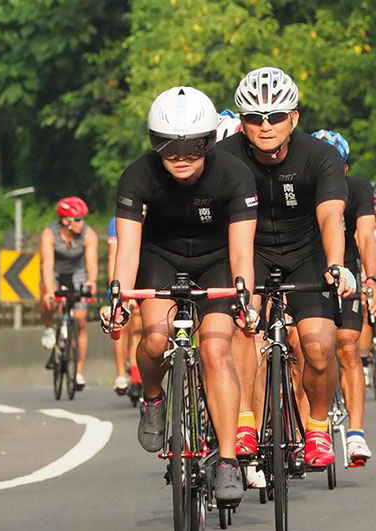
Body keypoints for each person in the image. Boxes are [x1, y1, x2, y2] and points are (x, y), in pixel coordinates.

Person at [102, 85, 257, 505]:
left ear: (208, 142)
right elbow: (129, 249)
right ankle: (153, 397)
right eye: (169, 147)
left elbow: (243, 249)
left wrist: (247, 298)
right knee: (154, 337)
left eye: (193, 147)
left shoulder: (234, 174)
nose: (181, 157)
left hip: (218, 263)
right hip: (160, 259)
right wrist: (116, 297)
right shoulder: (137, 175)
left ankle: (226, 459)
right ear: (154, 144)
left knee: (216, 350)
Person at [221, 67, 354, 469]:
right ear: (241, 122)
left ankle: (316, 426)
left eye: (276, 116)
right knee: (245, 325)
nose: (265, 126)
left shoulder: (320, 156)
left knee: (318, 347)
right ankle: (244, 420)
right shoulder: (223, 158)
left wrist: (336, 266)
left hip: (307, 254)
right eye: (254, 118)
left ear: (294, 118)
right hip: (251, 250)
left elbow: (332, 217)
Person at [311, 129, 376, 466]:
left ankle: (356, 433)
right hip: (308, 268)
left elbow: (365, 237)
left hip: (347, 267)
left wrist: (373, 278)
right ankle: (310, 430)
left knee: (349, 346)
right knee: (304, 349)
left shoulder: (358, 189)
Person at [40, 196, 98, 391]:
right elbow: (47, 264)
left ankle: (78, 372)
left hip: (78, 273)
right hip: (57, 272)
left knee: (80, 320)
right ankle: (49, 327)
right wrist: (49, 291)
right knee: (45, 296)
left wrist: (91, 281)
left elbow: (91, 263)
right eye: (78, 219)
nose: (82, 223)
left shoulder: (88, 235)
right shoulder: (49, 234)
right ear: (66, 221)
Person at [107, 216, 143, 398]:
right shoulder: (117, 222)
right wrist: (116, 289)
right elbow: (114, 256)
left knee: (138, 325)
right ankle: (121, 373)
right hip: (125, 272)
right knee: (122, 321)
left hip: (146, 271)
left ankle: (137, 376)